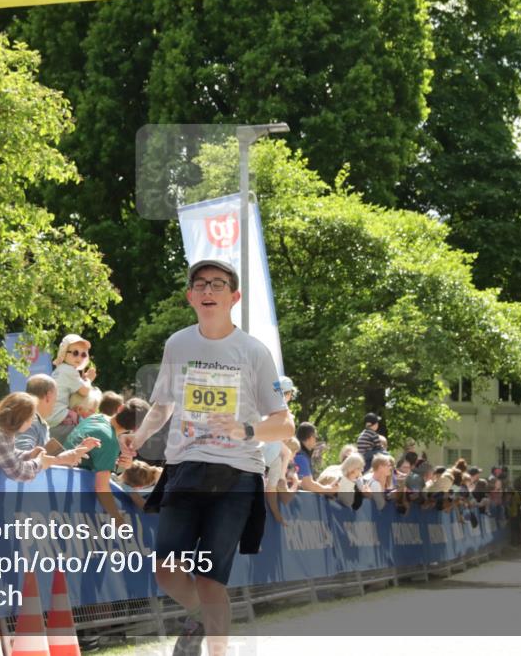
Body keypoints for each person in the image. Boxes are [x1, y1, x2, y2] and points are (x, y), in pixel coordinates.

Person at [119, 259, 294, 656]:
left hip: (237, 475)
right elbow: (162, 405)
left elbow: (284, 424)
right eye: (201, 285)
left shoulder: (253, 351)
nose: (208, 291)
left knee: (211, 578)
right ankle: (199, 617)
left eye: (218, 284)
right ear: (190, 297)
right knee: (166, 570)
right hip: (185, 468)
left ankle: (216, 649)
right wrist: (138, 438)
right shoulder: (178, 344)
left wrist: (244, 430)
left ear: (234, 297)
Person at [0, 392, 96, 481]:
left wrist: (30, 454)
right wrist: (40, 462)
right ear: (20, 418)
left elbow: (9, 455)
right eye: (30, 418)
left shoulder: (0, 428)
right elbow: (17, 472)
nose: (31, 422)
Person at [65, 397, 149, 523]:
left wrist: (112, 460)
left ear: (120, 408)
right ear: (137, 429)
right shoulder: (109, 443)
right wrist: (118, 520)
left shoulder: (96, 417)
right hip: (71, 494)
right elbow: (102, 488)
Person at [48, 334, 97, 442]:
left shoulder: (60, 369)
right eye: (75, 353)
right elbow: (84, 391)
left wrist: (84, 380)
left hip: (51, 416)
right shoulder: (69, 370)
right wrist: (89, 379)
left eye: (83, 354)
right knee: (87, 427)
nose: (79, 357)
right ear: (64, 353)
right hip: (60, 416)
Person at [293, 422, 338, 496]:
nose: (316, 440)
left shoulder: (298, 453)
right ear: (311, 437)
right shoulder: (300, 457)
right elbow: (308, 485)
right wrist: (328, 489)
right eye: (316, 437)